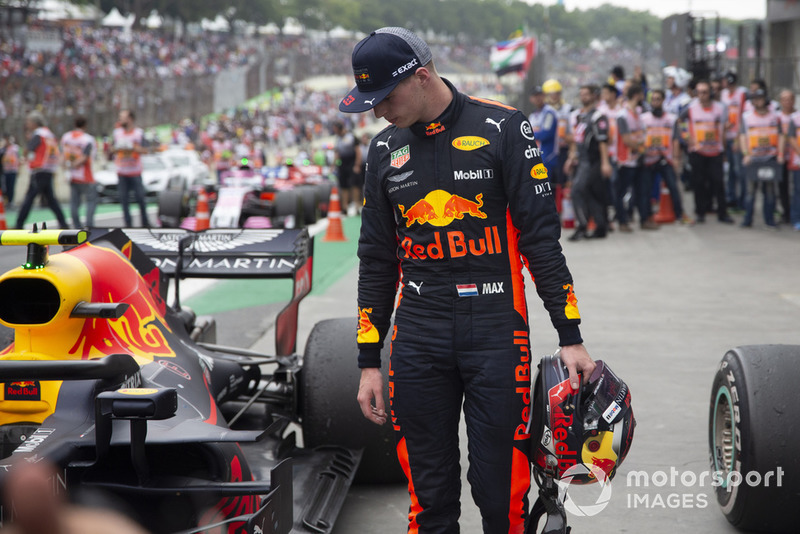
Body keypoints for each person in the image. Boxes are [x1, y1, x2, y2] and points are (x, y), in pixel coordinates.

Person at [339, 27, 594, 533]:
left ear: (421, 76)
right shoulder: (384, 149)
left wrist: (571, 336)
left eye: (384, 97)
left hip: (497, 329)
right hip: (417, 333)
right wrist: (370, 360)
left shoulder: (503, 128)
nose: (377, 112)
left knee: (501, 494)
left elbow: (542, 243)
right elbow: (375, 260)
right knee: (429, 498)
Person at [680, 80, 734, 224]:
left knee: (718, 182)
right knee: (698, 183)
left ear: (710, 92)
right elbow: (679, 121)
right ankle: (700, 212)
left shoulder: (720, 109)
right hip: (697, 151)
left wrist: (724, 152)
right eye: (699, 92)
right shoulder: (691, 108)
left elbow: (722, 129)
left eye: (704, 92)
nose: (702, 95)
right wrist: (686, 136)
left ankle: (722, 213)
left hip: (715, 151)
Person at [565, 84, 613, 240]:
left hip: (594, 160)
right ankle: (600, 226)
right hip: (582, 160)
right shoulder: (580, 116)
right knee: (590, 193)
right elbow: (576, 140)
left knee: (577, 191)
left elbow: (603, 141)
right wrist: (572, 157)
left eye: (586, 94)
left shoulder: (598, 116)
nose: (583, 97)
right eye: (582, 94)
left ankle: (582, 226)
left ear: (594, 96)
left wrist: (605, 163)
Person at [641, 89, 690, 224]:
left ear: (663, 100)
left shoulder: (671, 119)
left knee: (673, 186)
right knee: (646, 188)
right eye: (653, 99)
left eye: (658, 99)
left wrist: (675, 158)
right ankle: (646, 215)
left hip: (666, 158)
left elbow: (675, 139)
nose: (655, 102)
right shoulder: (644, 118)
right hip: (649, 159)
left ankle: (680, 214)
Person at [15, 111, 69, 229]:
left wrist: (25, 157)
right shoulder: (49, 134)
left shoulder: (38, 134)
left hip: (39, 170)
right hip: (49, 169)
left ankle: (19, 225)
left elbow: (28, 149)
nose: (27, 124)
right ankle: (63, 223)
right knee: (51, 200)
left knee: (29, 198)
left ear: (34, 122)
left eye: (28, 122)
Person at [739, 87, 783, 228]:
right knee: (750, 191)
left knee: (770, 191)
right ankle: (747, 220)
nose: (758, 101)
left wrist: (780, 153)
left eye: (761, 98)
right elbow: (742, 136)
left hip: (770, 158)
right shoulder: (747, 117)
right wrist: (745, 154)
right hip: (753, 158)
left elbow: (781, 136)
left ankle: (769, 219)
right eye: (755, 99)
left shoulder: (775, 117)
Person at [616, 83, 658, 230]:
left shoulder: (639, 113)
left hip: (639, 159)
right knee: (621, 192)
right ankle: (622, 222)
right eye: (641, 95)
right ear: (636, 95)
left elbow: (641, 134)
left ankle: (644, 219)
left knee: (642, 191)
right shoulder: (622, 115)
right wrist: (642, 148)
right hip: (626, 161)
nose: (643, 98)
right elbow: (626, 139)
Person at [112, 109, 151, 227]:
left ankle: (145, 224)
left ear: (130, 119)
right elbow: (111, 149)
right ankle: (128, 225)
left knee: (140, 199)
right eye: (120, 117)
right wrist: (118, 147)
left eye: (123, 117)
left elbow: (146, 150)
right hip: (122, 172)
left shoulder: (139, 133)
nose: (121, 120)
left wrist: (132, 147)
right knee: (124, 200)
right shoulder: (116, 133)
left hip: (135, 172)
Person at [60, 116, 98, 228]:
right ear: (85, 125)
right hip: (86, 175)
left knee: (74, 203)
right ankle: (89, 226)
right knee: (91, 201)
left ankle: (77, 227)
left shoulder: (66, 137)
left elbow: (62, 155)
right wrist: (74, 164)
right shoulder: (87, 139)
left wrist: (67, 167)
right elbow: (85, 157)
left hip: (72, 175)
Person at [720, 71, 748, 210]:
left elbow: (743, 117)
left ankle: (743, 201)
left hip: (738, 138)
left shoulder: (742, 93)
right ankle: (731, 198)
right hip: (727, 137)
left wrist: (738, 139)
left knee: (739, 171)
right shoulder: (724, 94)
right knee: (730, 170)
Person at [527, 85, 559, 177]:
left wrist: (530, 134)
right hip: (536, 156)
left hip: (548, 157)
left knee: (546, 186)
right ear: (531, 98)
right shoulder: (533, 115)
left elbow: (545, 134)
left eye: (540, 95)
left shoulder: (549, 113)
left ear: (544, 96)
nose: (538, 98)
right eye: (535, 95)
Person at [332, 120, 362, 216]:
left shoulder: (351, 136)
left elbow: (358, 151)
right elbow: (337, 153)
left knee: (355, 185)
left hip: (352, 162)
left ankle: (357, 206)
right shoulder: (338, 139)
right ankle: (345, 207)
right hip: (343, 164)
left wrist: (357, 164)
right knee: (343, 186)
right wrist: (333, 165)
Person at [777, 89, 795, 224]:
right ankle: (786, 212)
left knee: (795, 187)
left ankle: (795, 212)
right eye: (784, 99)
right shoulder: (777, 117)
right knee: (782, 186)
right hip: (782, 156)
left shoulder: (797, 116)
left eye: (790, 99)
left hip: (795, 157)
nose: (787, 102)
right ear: (781, 101)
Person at [783, 92, 800, 231]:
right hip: (797, 161)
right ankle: (795, 218)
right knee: (797, 191)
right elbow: (791, 138)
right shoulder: (795, 118)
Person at [0, 134, 20, 208]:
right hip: (5, 170)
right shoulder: (3, 149)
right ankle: (5, 201)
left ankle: (11, 201)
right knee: (5, 187)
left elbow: (18, 158)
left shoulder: (15, 148)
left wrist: (19, 169)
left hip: (13, 170)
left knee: (11, 186)